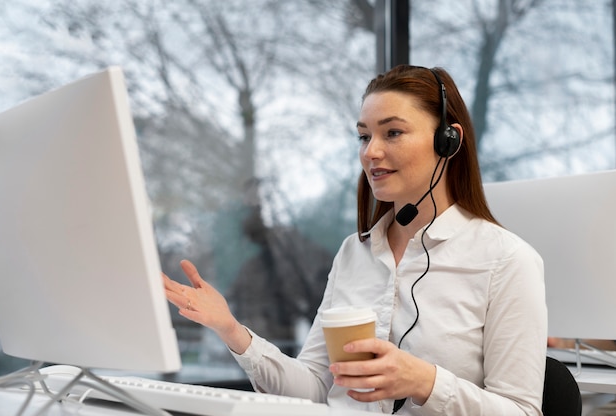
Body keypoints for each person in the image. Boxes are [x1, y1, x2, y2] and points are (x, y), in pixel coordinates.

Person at [162, 65, 548, 415]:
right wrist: (230, 329)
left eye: (392, 132)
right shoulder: (355, 252)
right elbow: (317, 387)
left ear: (448, 140)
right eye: (364, 136)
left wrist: (425, 383)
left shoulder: (507, 261)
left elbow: (522, 412)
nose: (371, 152)